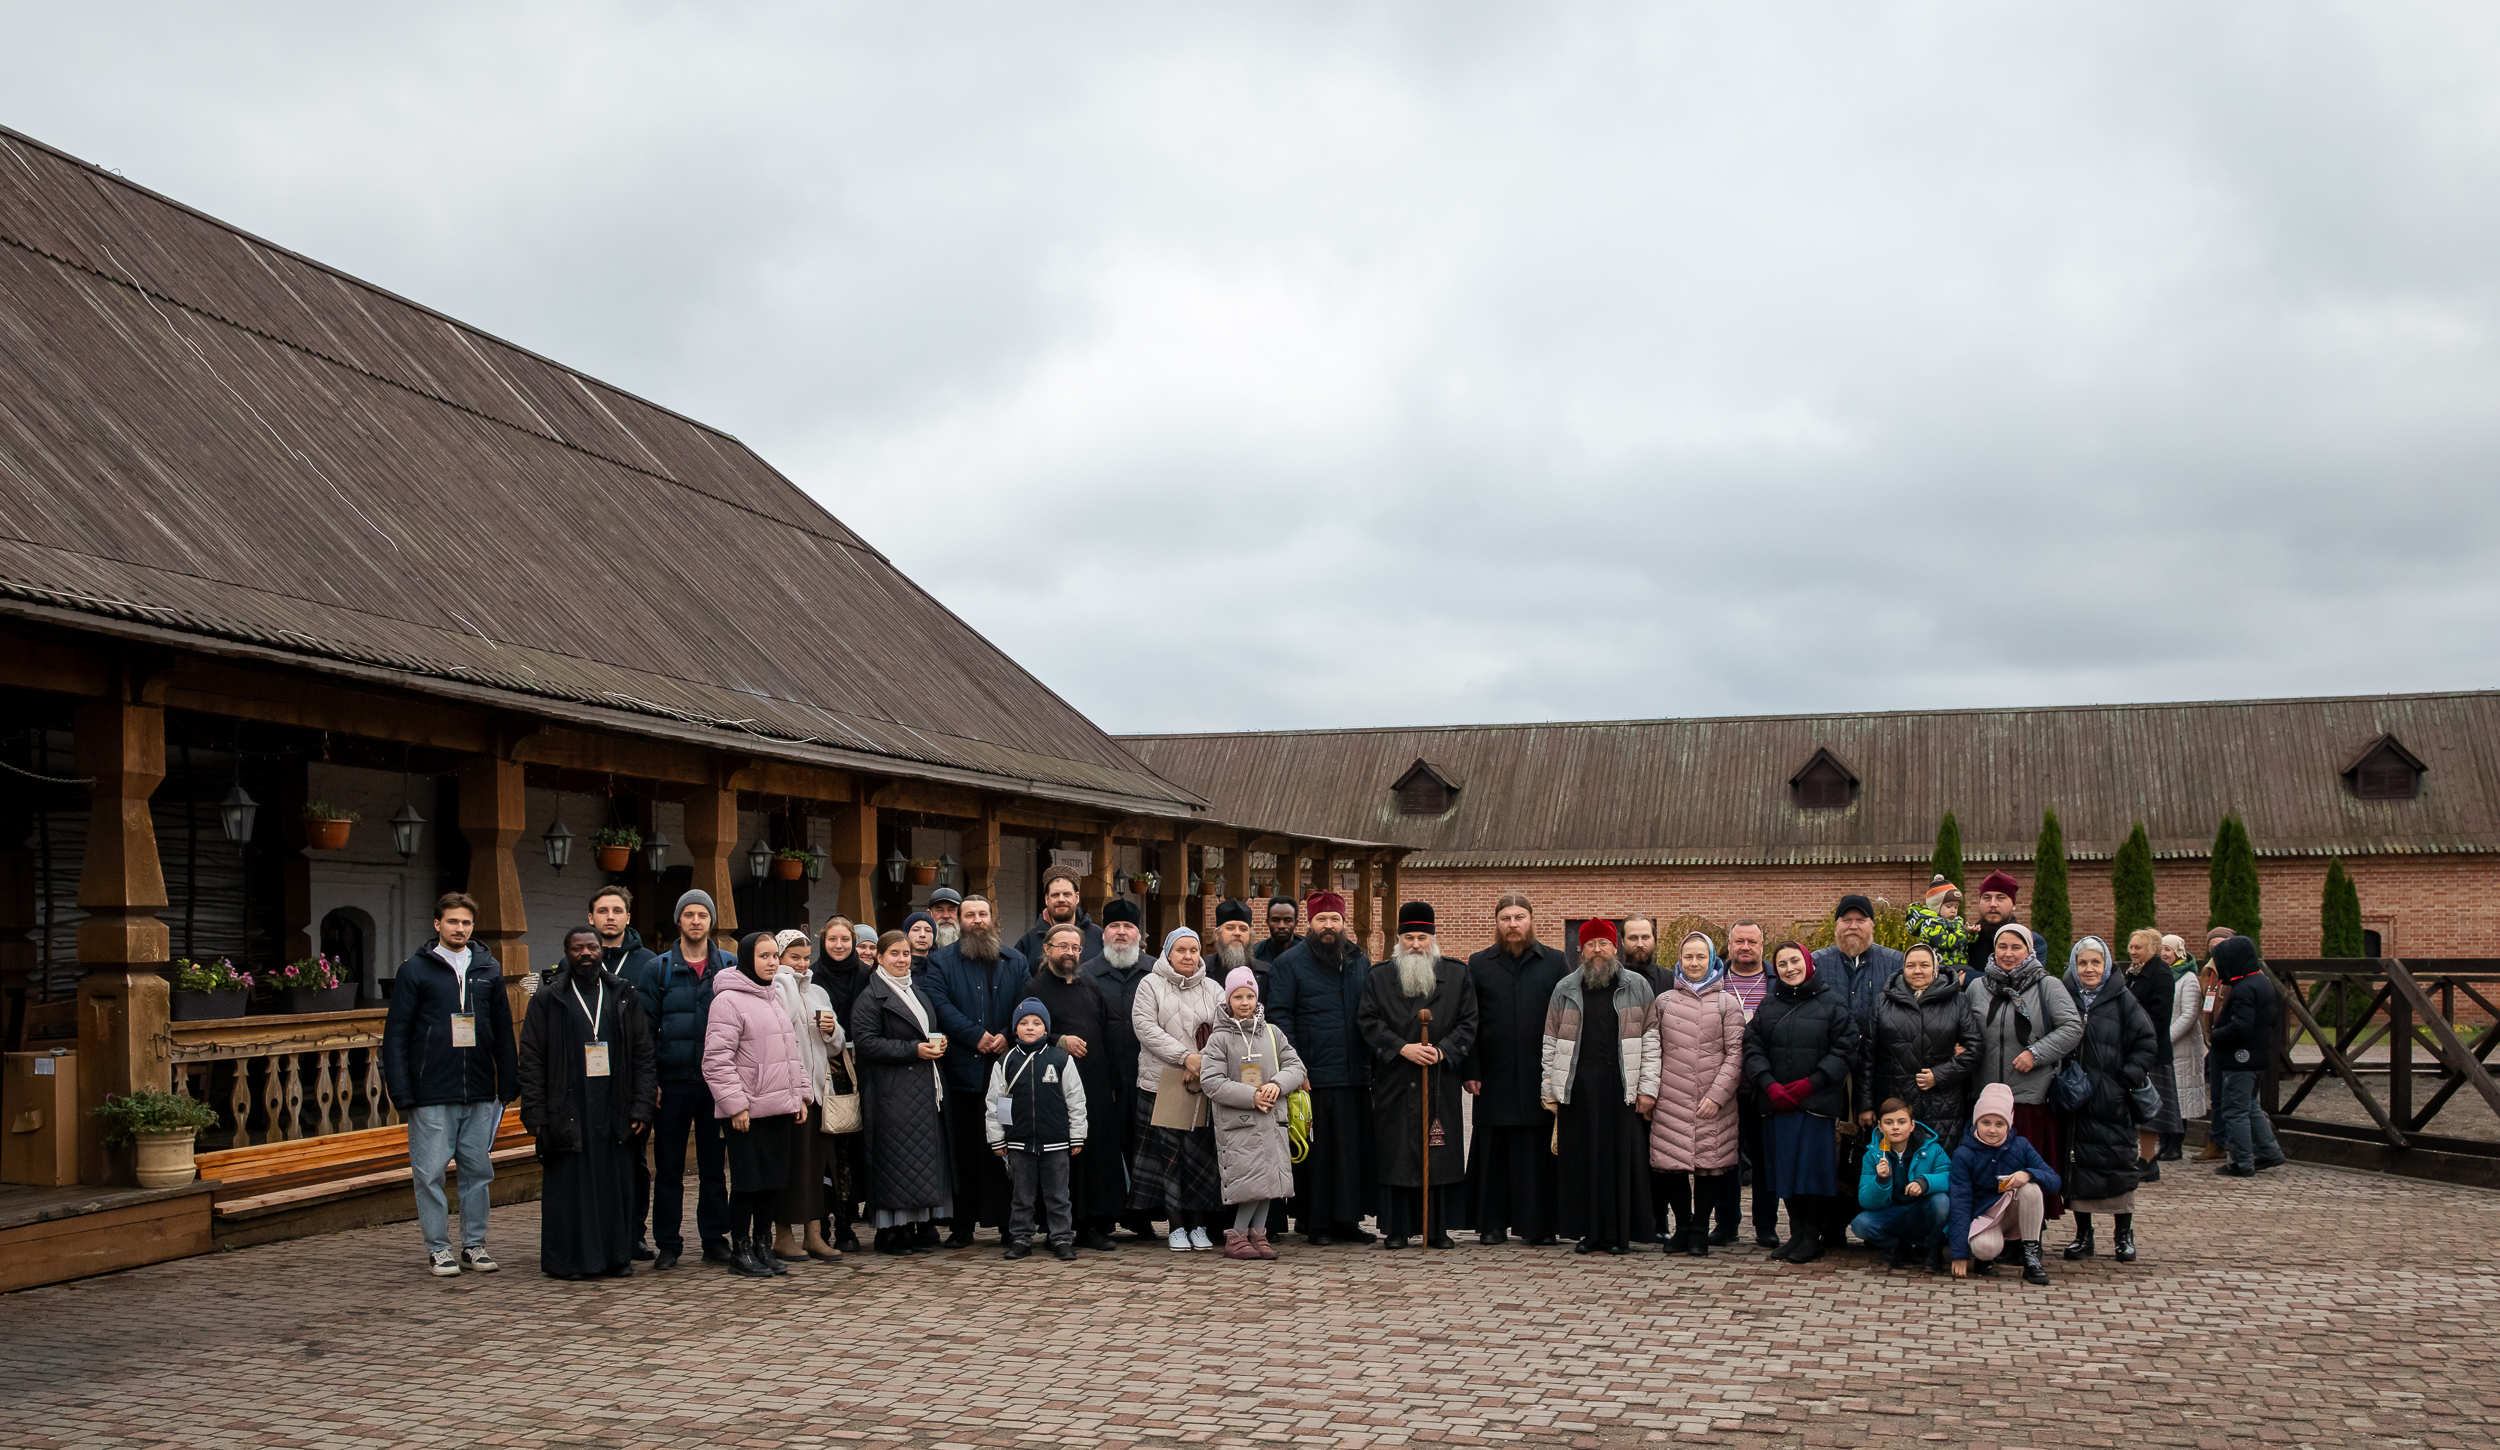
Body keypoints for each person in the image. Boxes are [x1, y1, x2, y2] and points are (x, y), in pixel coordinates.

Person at [383, 892, 520, 1277]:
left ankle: (474, 1245)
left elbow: (504, 1032)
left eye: (466, 922)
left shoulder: (488, 970)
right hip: (431, 1090)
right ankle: (439, 1248)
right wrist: (402, 1090)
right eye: (453, 921)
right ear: (437, 924)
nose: (460, 928)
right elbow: (396, 1035)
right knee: (429, 1173)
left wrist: (508, 1080)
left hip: (479, 1089)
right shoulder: (416, 970)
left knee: (478, 1172)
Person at [519, 926, 657, 1280]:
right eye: (577, 948)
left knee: (615, 1187)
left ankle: (615, 1257)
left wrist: (642, 1106)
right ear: (567, 953)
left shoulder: (623, 995)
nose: (586, 953)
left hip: (615, 1107)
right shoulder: (548, 999)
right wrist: (534, 1112)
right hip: (567, 1110)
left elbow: (643, 1056)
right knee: (571, 1190)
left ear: (601, 951)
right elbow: (531, 1058)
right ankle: (571, 1262)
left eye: (592, 947)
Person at [1360, 902, 1479, 1250]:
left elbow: (1469, 1022)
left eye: (1422, 937)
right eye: (1409, 937)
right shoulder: (1379, 976)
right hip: (1395, 1077)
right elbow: (1368, 1021)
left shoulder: (1457, 975)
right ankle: (1397, 1229)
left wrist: (1442, 1050)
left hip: (1439, 1077)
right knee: (1396, 1152)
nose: (1415, 944)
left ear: (1433, 939)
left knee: (1438, 1149)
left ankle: (1437, 1228)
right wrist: (1401, 1048)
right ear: (1399, 940)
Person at [1538, 920, 1659, 1257]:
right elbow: (1550, 1043)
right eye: (1590, 945)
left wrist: (1648, 1089)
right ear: (1580, 950)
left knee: (1620, 1162)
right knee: (1584, 1162)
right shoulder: (1565, 988)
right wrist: (1551, 1089)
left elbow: (1651, 1041)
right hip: (1579, 1087)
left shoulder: (1636, 986)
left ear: (1614, 947)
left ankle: (1619, 1234)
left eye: (1603, 944)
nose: (1597, 951)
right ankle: (1589, 1233)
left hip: (1622, 1085)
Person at [1264, 890, 1377, 1245]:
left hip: (1355, 1073)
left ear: (1344, 924)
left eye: (1335, 919)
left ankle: (1348, 1220)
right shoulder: (1289, 964)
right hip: (1313, 1075)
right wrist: (1296, 1068)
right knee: (1320, 1154)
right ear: (1309, 923)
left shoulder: (1359, 960)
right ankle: (1318, 1223)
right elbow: (1280, 1018)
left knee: (1352, 1151)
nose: (1328, 926)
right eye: (1321, 919)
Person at [633, 889, 735, 1270]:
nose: (696, 921)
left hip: (716, 1084)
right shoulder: (657, 969)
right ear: (679, 920)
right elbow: (644, 1031)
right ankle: (668, 1243)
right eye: (689, 914)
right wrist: (651, 1080)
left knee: (713, 1165)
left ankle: (714, 1238)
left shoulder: (729, 966)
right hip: (672, 1083)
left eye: (702, 915)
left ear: (711, 921)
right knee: (669, 1166)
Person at [1459, 892, 1568, 1246]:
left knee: (1537, 1154)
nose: (1513, 924)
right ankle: (1492, 1224)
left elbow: (1568, 1019)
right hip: (1494, 1075)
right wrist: (1470, 1069)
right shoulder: (1479, 963)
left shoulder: (1555, 962)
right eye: (1506, 918)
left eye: (1520, 917)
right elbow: (1468, 1021)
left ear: (1531, 921)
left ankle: (1539, 1225)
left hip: (1541, 1074)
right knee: (1494, 1153)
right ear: (1497, 923)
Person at [701, 932, 811, 1279]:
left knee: (772, 1182)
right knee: (748, 1183)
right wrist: (735, 1106)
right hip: (747, 1113)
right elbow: (716, 1061)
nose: (771, 962)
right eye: (763, 956)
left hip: (779, 1106)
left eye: (774, 956)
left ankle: (764, 1246)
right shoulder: (727, 1001)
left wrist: (800, 1096)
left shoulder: (775, 996)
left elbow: (791, 1052)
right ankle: (741, 1250)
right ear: (747, 959)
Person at [1741, 940, 1858, 1264]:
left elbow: (1845, 1049)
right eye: (1782, 964)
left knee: (1811, 1175)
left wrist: (1812, 1082)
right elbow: (1752, 1047)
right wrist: (1769, 1084)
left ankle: (1812, 1238)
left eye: (1795, 961)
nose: (1790, 968)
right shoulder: (1768, 1005)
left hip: (1815, 1106)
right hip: (1777, 1106)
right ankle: (1796, 1234)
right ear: (1775, 970)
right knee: (1785, 1175)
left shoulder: (1832, 1004)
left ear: (1808, 963)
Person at [924, 894, 1028, 1246]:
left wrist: (1005, 1034)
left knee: (1004, 1149)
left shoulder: (1015, 960)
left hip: (1005, 1074)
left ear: (991, 918)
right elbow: (939, 1004)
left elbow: (1025, 1005)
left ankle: (1006, 1224)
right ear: (961, 920)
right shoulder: (940, 962)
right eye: (970, 915)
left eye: (983, 914)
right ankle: (963, 1225)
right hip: (963, 1073)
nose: (977, 920)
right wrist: (976, 1036)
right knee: (965, 1150)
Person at [1962, 920, 2081, 1226]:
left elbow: (2072, 1027)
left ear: (2029, 951)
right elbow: (1962, 1027)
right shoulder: (1978, 987)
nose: (2008, 953)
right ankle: (1992, 1228)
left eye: (2016, 947)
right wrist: (1959, 1046)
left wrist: (2037, 1053)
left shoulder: (2047, 986)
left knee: (2024, 1173)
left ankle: (2029, 1234)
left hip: (2028, 1096)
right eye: (2002, 946)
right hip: (1986, 1097)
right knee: (1988, 1173)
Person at [850, 929, 955, 1253]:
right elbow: (866, 1043)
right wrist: (914, 1050)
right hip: (892, 1093)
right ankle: (889, 1232)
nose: (901, 959)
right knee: (893, 1162)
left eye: (906, 954)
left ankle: (914, 1226)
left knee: (917, 1162)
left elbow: (927, 1030)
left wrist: (937, 1044)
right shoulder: (871, 997)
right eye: (894, 953)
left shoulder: (916, 991)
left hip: (922, 1090)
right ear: (879, 958)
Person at [1022, 922, 1121, 1250]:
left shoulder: (1088, 985)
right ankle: (1060, 1226)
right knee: (1065, 1157)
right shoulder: (1034, 988)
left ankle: (1094, 1223)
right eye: (1062, 946)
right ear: (1047, 950)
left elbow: (1104, 1029)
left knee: (1095, 1153)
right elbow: (1021, 1031)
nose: (1070, 952)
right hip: (1054, 1088)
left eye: (1075, 947)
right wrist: (1058, 1040)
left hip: (1094, 1083)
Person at [1646, 929, 1745, 1257]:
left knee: (1708, 1166)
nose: (1694, 962)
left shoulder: (1726, 1003)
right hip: (1671, 1099)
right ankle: (1682, 1228)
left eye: (1701, 956)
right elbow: (1653, 1049)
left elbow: (1736, 1054)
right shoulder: (1664, 1002)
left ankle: (1701, 1229)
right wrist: (1652, 1093)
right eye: (1688, 956)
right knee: (1672, 1165)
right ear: (1679, 959)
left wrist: (1717, 1095)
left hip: (1712, 1102)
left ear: (1712, 958)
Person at [1131, 926, 1229, 1250]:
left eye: (1194, 950)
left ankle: (1198, 1225)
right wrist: (1185, 1057)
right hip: (1162, 1083)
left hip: (1202, 1084)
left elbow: (1226, 1029)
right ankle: (1175, 1226)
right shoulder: (1150, 984)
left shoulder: (1214, 988)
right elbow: (1145, 1028)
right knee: (1168, 1157)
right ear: (1167, 953)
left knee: (1199, 1159)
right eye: (1181, 950)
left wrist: (1202, 1063)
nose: (1188, 956)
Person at [2059, 936, 2157, 1262]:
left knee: (2118, 1163)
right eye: (2083, 962)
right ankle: (2083, 1234)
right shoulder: (2064, 996)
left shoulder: (2122, 999)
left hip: (2112, 1099)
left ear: (2107, 965)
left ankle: (2123, 1235)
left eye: (2095, 962)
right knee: (2078, 1165)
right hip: (2075, 1099)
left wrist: (2124, 1081)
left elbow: (2146, 1041)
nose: (2089, 969)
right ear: (2074, 965)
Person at [1202, 966, 1308, 1260]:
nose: (1245, 1002)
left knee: (1269, 1182)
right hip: (1240, 1122)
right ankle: (1236, 1236)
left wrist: (1277, 1084)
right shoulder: (1219, 1039)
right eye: (1238, 996)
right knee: (1250, 1182)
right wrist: (1252, 1096)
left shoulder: (1273, 1033)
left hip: (1273, 1119)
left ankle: (1257, 1235)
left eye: (1250, 996)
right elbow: (1211, 1081)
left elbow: (1296, 1067)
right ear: (1228, 1000)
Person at [1816, 894, 1903, 1245]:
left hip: (1881, 1072)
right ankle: (1833, 1225)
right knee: (1835, 1151)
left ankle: (1877, 1224)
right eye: (1846, 920)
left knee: (1877, 1148)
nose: (1853, 926)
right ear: (1835, 925)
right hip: (1830, 1074)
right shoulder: (1818, 963)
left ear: (1872, 925)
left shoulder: (1894, 963)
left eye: (1860, 919)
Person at [585, 885, 662, 1259]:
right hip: (589, 1076)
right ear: (591, 917)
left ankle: (635, 1232)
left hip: (632, 1076)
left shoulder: (648, 961)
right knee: (592, 1156)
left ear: (628, 917)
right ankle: (599, 1231)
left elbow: (654, 1023)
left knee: (635, 1160)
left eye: (617, 911)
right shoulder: (580, 957)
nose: (610, 917)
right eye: (603, 911)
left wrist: (653, 1082)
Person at [986, 997, 1087, 1262]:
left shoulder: (1060, 1059)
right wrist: (997, 1138)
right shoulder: (1005, 1062)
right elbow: (994, 1103)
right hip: (1019, 1143)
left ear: (1046, 1028)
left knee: (1058, 1195)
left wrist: (1077, 1134)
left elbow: (1075, 1099)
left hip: (1055, 1142)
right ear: (1015, 1029)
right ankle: (1020, 1237)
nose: (1030, 1027)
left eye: (1037, 1022)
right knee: (1022, 1196)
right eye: (1024, 1023)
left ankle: (1061, 1238)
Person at [1082, 898, 1158, 1242]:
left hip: (1147, 1075)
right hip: (1105, 1076)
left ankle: (1141, 1215)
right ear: (1103, 933)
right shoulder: (1087, 973)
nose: (1122, 933)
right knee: (1107, 1147)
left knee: (1144, 1146)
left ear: (1139, 934)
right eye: (1115, 927)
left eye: (1128, 927)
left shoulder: (1156, 971)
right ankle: (1106, 1215)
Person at [768, 928, 846, 1264]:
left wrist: (832, 1031)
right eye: (793, 958)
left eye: (804, 957)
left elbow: (836, 1044)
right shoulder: (773, 990)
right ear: (780, 958)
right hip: (787, 1094)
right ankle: (783, 1235)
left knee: (817, 1167)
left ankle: (814, 1234)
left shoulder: (818, 992)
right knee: (790, 1166)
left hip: (818, 1092)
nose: (800, 964)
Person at [1864, 943, 1981, 1150]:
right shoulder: (1883, 1003)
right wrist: (1865, 1104)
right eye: (1911, 965)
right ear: (1903, 968)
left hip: (1941, 1105)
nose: (1917, 970)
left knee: (1936, 1168)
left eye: (1924, 965)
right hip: (1894, 1102)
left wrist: (1940, 1074)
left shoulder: (1957, 1001)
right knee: (1893, 1168)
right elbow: (1867, 1056)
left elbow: (1974, 1048)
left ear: (1935, 969)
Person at [1948, 1082, 2060, 1285]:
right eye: (1986, 1123)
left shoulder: (2022, 1145)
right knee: (1984, 1248)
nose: (1992, 1130)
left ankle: (2031, 1260)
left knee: (2032, 1188)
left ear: (2009, 1124)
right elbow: (1960, 1202)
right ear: (1975, 1122)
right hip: (1985, 1214)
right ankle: (1985, 1259)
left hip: (2013, 1211)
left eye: (1999, 1124)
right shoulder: (1963, 1154)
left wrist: (2028, 1174)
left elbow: (2054, 1181)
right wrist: (1959, 1254)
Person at [1714, 919, 1775, 1247]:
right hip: (1724, 1087)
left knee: (1764, 1160)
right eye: (1739, 941)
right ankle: (1726, 1224)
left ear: (1762, 944)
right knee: (1725, 1159)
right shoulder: (1715, 980)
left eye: (1752, 942)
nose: (1745, 948)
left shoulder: (1775, 980)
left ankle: (1766, 1225)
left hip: (1764, 1087)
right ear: (1730, 943)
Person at [2207, 935, 2286, 1178]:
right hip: (2255, 1055)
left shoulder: (2244, 989)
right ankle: (2269, 1152)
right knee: (2249, 1106)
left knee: (2235, 1110)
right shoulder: (2259, 982)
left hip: (2241, 1058)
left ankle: (2241, 1161)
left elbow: (2241, 1027)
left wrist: (2216, 1034)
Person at [814, 916, 870, 1252]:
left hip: (859, 1069)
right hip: (823, 1070)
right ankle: (821, 1221)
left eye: (844, 940)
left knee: (851, 1149)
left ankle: (848, 1222)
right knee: (826, 1150)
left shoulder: (865, 976)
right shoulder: (813, 977)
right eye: (832, 939)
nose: (838, 945)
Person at [1850, 1098, 1950, 1271]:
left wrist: (1925, 1182)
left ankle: (1933, 1249)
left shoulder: (1933, 1150)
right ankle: (1895, 1245)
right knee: (1861, 1224)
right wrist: (1881, 1180)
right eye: (1889, 1122)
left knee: (1942, 1203)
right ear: (1880, 1127)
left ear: (1912, 1125)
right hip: (1892, 1212)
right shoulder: (1872, 1155)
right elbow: (1866, 1200)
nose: (1895, 1127)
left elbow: (1949, 1177)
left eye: (1901, 1122)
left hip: (1922, 1210)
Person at [2121, 928, 2178, 1182]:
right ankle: (2138, 1158)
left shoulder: (2161, 975)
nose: (2133, 951)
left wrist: (2136, 1034)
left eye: (2138, 947)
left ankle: (2147, 1160)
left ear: (2153, 949)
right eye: (2131, 947)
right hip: (2131, 1047)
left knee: (2149, 1107)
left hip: (2151, 1051)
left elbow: (2159, 1017)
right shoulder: (2133, 973)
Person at [2160, 934, 2207, 1164]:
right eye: (2161, 949)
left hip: (2182, 1048)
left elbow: (2189, 1014)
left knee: (2180, 1097)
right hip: (2163, 1047)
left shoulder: (2188, 978)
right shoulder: (2162, 975)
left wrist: (2165, 1038)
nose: (2164, 954)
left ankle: (2175, 1145)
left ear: (2179, 951)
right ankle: (2163, 1143)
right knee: (2163, 1095)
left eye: (2168, 949)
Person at [1015, 865, 1103, 964]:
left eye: (1067, 894)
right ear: (1047, 899)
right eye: (1055, 895)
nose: (1061, 899)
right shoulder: (1029, 941)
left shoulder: (1097, 936)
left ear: (1077, 897)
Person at [1905, 876, 1973, 983]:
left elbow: (1964, 942)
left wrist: (1972, 934)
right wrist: (1964, 934)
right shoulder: (1929, 924)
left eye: (1956, 907)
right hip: (1940, 966)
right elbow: (1945, 942)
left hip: (1959, 964)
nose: (1953, 911)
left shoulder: (1957, 921)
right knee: (1974, 977)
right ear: (1936, 906)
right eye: (1949, 906)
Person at [1208, 899, 1269, 1001]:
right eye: (1230, 928)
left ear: (1250, 936)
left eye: (1243, 929)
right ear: (1217, 935)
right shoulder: (1204, 971)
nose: (1237, 933)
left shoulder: (1265, 973)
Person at [1969, 871, 2023, 965]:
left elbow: (2026, 976)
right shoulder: (1965, 940)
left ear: (2013, 904)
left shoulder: (2030, 941)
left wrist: (1968, 975)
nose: (1993, 904)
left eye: (2000, 898)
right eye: (1987, 898)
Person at [1622, 916, 1675, 997]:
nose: (1640, 944)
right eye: (1633, 938)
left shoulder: (1670, 980)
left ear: (1654, 939)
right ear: (1623, 941)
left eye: (1645, 937)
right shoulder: (1612, 980)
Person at [1254, 896, 1303, 963]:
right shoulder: (1255, 954)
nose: (1281, 926)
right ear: (1267, 922)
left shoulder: (1309, 953)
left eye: (1288, 920)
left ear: (1296, 923)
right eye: (1275, 920)